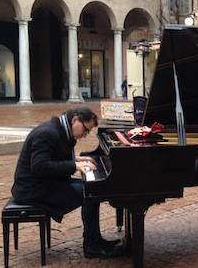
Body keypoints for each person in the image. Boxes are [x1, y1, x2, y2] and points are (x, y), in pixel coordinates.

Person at [12, 108, 123, 259]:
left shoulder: (59, 130)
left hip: (44, 183)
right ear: (75, 120)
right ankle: (92, 246)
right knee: (89, 193)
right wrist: (74, 166)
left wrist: (76, 160)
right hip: (32, 190)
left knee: (92, 189)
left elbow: (53, 158)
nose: (85, 135)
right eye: (85, 129)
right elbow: (39, 167)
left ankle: (95, 241)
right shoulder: (47, 133)